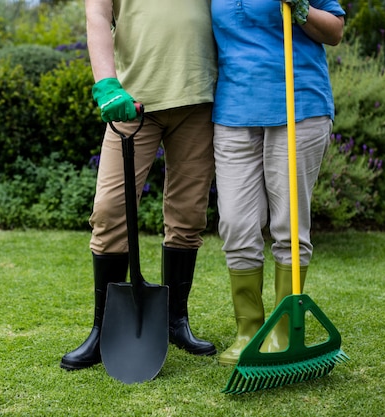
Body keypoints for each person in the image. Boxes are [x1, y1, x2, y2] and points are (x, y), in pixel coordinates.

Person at [60, 0, 218, 370]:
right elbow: (97, 15)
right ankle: (103, 329)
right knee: (110, 210)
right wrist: (106, 84)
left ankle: (175, 322)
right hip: (133, 101)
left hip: (198, 98)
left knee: (188, 214)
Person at [211, 0, 345, 365]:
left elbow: (334, 31)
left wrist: (299, 6)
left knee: (289, 225)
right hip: (233, 112)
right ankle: (249, 331)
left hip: (297, 105)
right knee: (235, 224)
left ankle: (284, 330)